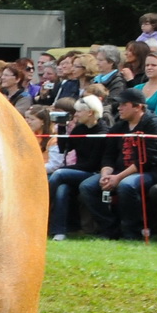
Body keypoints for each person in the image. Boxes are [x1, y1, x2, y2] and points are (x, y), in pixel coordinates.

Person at [79, 87, 157, 239]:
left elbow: (147, 160)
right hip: (118, 172)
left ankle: (132, 232)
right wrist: (106, 174)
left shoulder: (154, 125)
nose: (119, 108)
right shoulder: (119, 126)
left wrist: (118, 178)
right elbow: (108, 154)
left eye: (123, 104)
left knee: (126, 185)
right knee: (87, 186)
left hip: (148, 173)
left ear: (138, 106)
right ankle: (110, 229)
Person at [48, 95, 108, 239]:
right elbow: (64, 148)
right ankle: (59, 230)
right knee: (62, 189)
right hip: (80, 171)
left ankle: (43, 208)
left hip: (95, 172)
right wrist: (62, 128)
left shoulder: (103, 132)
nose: (75, 115)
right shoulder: (80, 129)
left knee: (59, 175)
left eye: (79, 112)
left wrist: (69, 169)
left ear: (90, 112)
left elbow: (93, 164)